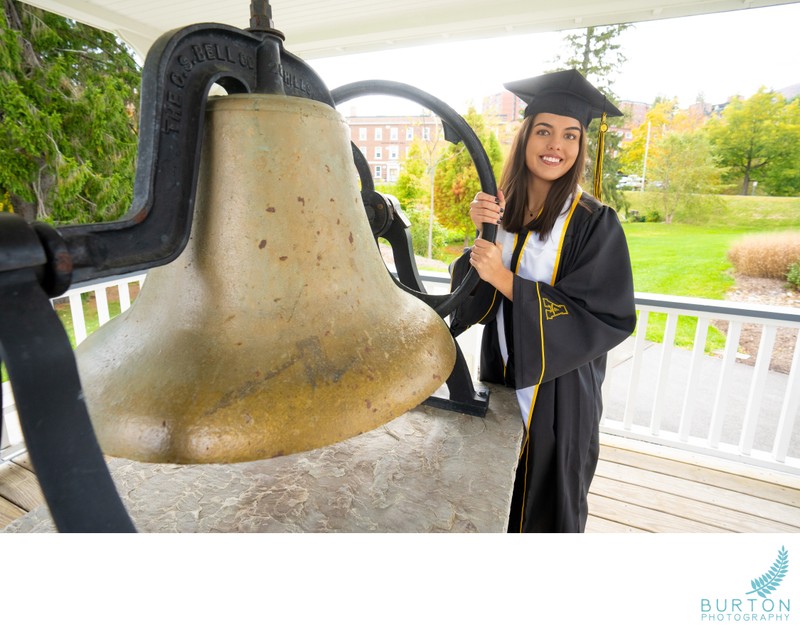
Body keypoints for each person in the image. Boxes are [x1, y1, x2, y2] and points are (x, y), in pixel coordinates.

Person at [467, 69, 637, 533]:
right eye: (544, 130)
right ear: (526, 138)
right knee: (492, 499)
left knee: (547, 511)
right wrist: (480, 238)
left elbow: (603, 316)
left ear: (581, 147)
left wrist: (507, 278)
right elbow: (474, 300)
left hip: (558, 396)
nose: (555, 145)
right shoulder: (502, 210)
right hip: (500, 379)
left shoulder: (595, 223)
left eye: (570, 135)